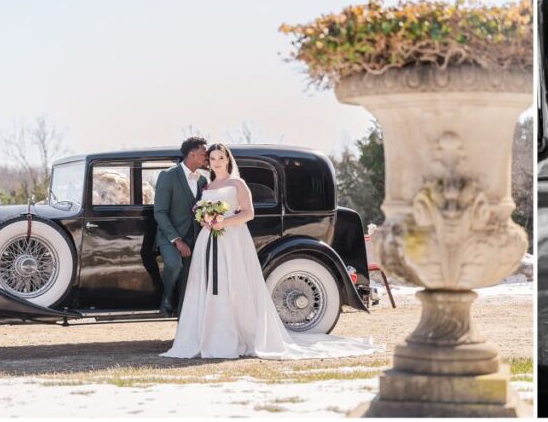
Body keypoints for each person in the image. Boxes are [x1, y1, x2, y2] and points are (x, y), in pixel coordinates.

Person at [161, 143, 382, 359]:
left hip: (232, 239)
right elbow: (200, 211)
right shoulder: (207, 187)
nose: (217, 162)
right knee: (208, 285)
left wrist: (223, 223)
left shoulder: (237, 184)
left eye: (221, 158)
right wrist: (207, 220)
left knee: (234, 284)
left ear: (228, 159)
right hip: (208, 240)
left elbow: (249, 214)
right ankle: (208, 334)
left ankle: (236, 335)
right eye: (213, 159)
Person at [153, 137, 208, 317]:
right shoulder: (168, 175)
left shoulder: (202, 181)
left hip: (194, 237)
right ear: (192, 153)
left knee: (189, 281)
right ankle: (167, 296)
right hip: (170, 237)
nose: (206, 157)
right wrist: (177, 240)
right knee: (174, 264)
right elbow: (160, 212)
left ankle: (183, 324)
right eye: (203, 153)